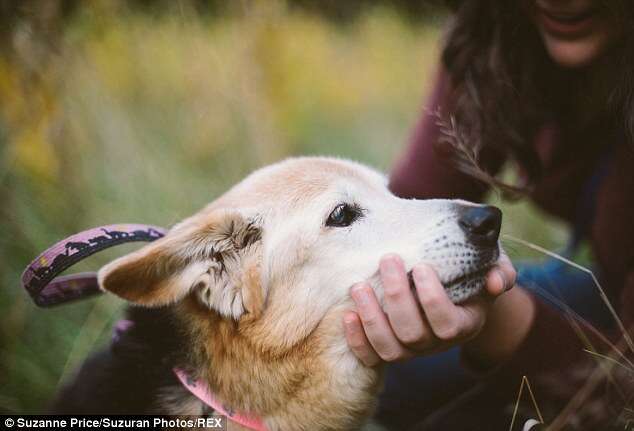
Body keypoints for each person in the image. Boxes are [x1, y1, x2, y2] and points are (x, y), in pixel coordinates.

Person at [343, 0, 634, 429]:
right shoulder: (498, 29)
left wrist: (496, 320)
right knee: (370, 344)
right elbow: (415, 199)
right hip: (613, 293)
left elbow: (625, 389)